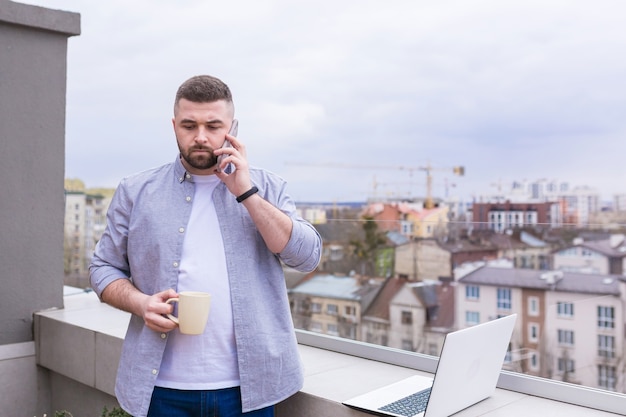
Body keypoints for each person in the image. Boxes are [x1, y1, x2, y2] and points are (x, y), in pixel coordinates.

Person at [90, 75, 322, 417]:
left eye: (213, 125)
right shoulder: (135, 191)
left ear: (233, 128)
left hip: (250, 390)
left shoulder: (268, 187)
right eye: (189, 125)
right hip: (159, 389)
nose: (200, 136)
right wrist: (141, 304)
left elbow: (306, 258)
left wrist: (246, 192)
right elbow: (102, 267)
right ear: (174, 126)